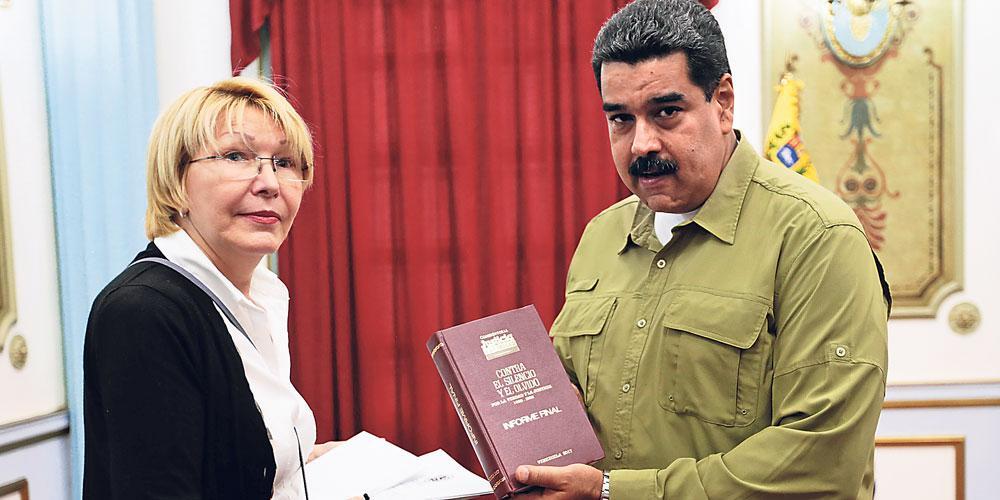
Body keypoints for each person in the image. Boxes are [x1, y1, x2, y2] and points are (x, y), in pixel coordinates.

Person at [514, 0, 890, 498]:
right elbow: (571, 397)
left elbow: (820, 461)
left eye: (666, 112)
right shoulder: (601, 237)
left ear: (723, 102)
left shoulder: (817, 237)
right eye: (621, 119)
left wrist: (613, 492)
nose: (641, 144)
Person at [83, 77, 335, 499]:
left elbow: (230, 462)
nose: (270, 183)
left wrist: (309, 465)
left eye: (285, 162)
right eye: (237, 156)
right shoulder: (144, 311)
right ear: (176, 180)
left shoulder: (260, 295)